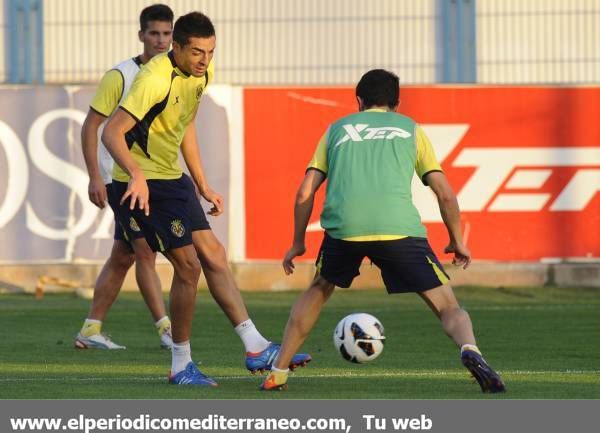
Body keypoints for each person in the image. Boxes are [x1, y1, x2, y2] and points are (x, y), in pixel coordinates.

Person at [260, 69, 506, 393]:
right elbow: (445, 193)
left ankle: (278, 372)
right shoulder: (410, 129)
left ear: (359, 101)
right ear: (397, 103)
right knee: (447, 305)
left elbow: (305, 192)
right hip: (399, 229)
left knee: (318, 289)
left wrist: (297, 242)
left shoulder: (337, 130)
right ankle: (471, 351)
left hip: (344, 229)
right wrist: (457, 240)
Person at [101, 12, 310, 386]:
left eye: (210, 52)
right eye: (196, 51)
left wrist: (201, 183)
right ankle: (181, 365)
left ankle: (256, 346)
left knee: (214, 253)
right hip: (139, 184)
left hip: (172, 179)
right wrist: (135, 174)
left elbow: (185, 127)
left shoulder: (201, 75)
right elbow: (111, 132)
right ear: (176, 47)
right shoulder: (153, 78)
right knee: (188, 266)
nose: (204, 59)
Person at [76, 4, 175, 350]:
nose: (161, 41)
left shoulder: (173, 75)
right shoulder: (120, 76)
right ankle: (166, 330)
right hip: (122, 180)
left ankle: (91, 327)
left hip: (153, 180)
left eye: (167, 34)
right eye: (154, 34)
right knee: (145, 251)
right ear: (141, 36)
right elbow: (91, 126)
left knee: (124, 255)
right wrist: (94, 177)